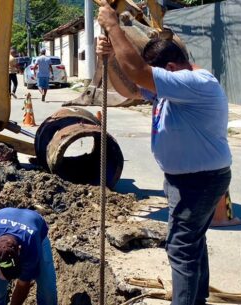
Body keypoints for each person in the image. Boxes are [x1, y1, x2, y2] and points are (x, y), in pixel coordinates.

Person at [96, 2, 232, 305]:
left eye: (155, 74)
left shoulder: (196, 83)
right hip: (186, 180)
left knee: (180, 248)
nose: (151, 81)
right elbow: (130, 88)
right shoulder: (174, 86)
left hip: (200, 181)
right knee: (192, 243)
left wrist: (114, 27)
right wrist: (105, 60)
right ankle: (196, 299)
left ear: (170, 69)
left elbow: (139, 73)